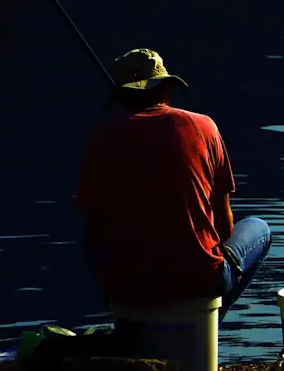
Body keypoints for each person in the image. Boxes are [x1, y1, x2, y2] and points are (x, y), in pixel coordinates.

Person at [77, 48, 271, 317]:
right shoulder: (204, 127)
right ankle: (210, 318)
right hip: (200, 281)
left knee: (89, 239)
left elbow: (94, 227)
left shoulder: (101, 139)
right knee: (259, 228)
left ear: (120, 96)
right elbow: (223, 220)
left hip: (127, 287)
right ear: (165, 89)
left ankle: (127, 316)